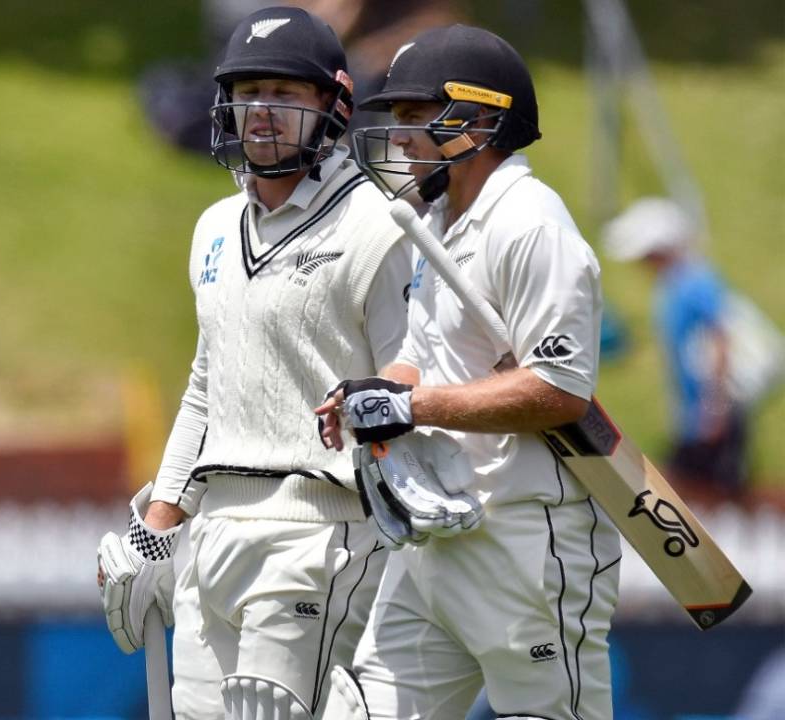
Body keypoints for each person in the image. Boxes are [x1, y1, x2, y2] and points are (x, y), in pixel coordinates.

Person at [97, 6, 415, 717]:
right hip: (214, 540)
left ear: (334, 102)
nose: (261, 112)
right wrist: (156, 532)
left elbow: (411, 387)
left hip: (321, 532)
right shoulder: (214, 228)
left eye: (285, 94)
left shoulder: (377, 226)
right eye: (246, 93)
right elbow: (206, 390)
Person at [315, 24, 622, 719]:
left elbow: (560, 390)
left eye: (414, 116)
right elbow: (423, 360)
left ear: (479, 119)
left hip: (526, 542)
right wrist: (376, 393)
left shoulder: (530, 224)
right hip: (436, 535)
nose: (399, 138)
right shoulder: (441, 221)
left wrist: (414, 410)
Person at [602, 197, 751, 500]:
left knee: (704, 493)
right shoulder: (673, 285)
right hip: (695, 414)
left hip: (712, 412)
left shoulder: (694, 281)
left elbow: (720, 339)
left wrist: (714, 409)